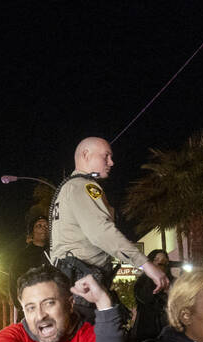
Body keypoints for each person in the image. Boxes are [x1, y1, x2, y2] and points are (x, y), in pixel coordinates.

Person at [48, 136, 168, 317]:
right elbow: (102, 232)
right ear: (86, 155)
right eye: (106, 156)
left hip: (70, 283)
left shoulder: (67, 188)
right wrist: (146, 265)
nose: (111, 162)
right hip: (84, 287)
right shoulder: (85, 186)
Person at [129, 248, 173, 342]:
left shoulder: (172, 282)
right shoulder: (142, 282)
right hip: (146, 329)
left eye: (163, 261)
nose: (160, 263)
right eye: (156, 260)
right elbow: (145, 299)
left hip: (168, 328)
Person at [9, 212, 50, 303]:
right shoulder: (22, 257)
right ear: (32, 232)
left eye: (47, 226)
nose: (43, 228)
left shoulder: (56, 252)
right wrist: (23, 308)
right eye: (39, 226)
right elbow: (14, 286)